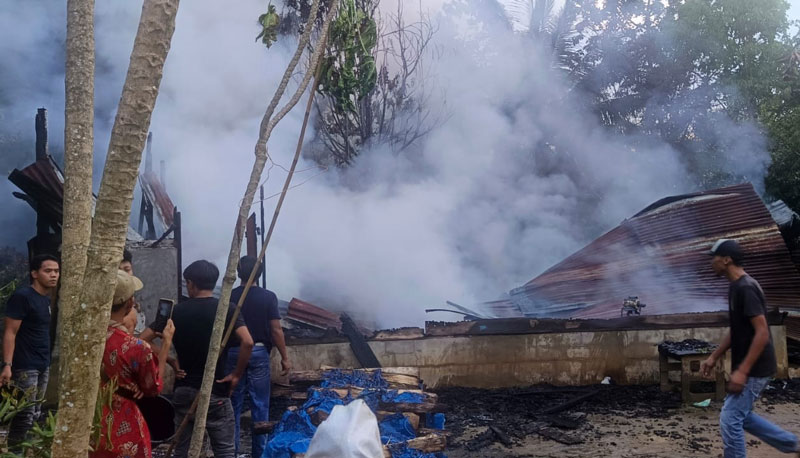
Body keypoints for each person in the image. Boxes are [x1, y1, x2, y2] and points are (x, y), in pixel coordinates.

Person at [701, 239, 799, 457]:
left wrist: (743, 371)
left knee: (730, 418)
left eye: (715, 257)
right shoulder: (736, 287)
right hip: (753, 366)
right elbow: (737, 329)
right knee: (741, 415)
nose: (712, 263)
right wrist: (714, 356)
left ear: (727, 260)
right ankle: (792, 444)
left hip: (756, 367)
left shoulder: (746, 288)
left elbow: (762, 332)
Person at [166, 260, 253, 458]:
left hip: (184, 389)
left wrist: (170, 360)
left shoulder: (176, 311)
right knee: (224, 450)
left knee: (183, 451)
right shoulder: (227, 310)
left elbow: (143, 339)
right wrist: (236, 375)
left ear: (190, 283)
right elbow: (248, 342)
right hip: (216, 391)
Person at [90, 270, 175, 458]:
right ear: (129, 304)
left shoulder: (86, 337)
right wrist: (166, 343)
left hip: (88, 421)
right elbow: (153, 388)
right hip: (122, 423)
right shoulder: (135, 347)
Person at [225, 256, 291, 457]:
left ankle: (232, 452)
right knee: (260, 404)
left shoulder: (230, 297)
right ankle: (260, 453)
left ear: (238, 272)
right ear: (259, 274)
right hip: (259, 353)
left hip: (233, 352)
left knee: (233, 404)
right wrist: (285, 357)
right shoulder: (268, 297)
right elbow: (276, 330)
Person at [1, 254, 59, 448]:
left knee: (35, 413)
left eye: (56, 271)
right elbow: (10, 332)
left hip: (43, 364)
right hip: (24, 367)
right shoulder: (22, 297)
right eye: (48, 271)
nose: (53, 275)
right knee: (23, 414)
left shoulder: (44, 299)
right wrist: (7, 365)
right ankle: (14, 453)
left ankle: (23, 451)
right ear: (34, 273)